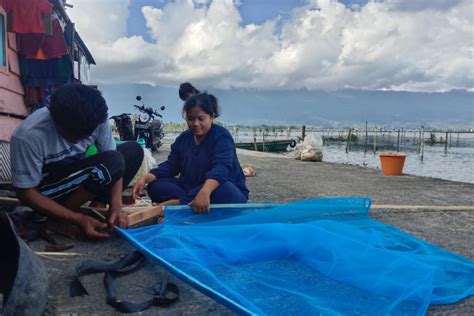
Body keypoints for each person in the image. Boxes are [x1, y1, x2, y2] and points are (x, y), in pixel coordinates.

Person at [10, 84, 144, 238]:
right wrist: (77, 218)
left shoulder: (97, 119)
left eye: (84, 136)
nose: (76, 142)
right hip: (47, 191)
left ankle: (99, 205)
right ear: (55, 120)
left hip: (75, 174)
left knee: (133, 151)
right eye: (70, 134)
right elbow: (25, 193)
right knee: (111, 162)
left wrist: (116, 204)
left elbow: (116, 162)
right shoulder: (28, 136)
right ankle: (56, 219)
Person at [133, 92, 248, 213]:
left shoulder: (221, 137)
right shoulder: (184, 138)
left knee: (226, 189)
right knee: (155, 186)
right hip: (191, 187)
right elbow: (172, 165)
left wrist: (205, 191)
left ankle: (178, 203)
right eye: (191, 119)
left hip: (217, 188)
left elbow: (222, 168)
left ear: (212, 117)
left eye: (201, 118)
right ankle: (190, 201)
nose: (195, 124)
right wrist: (146, 177)